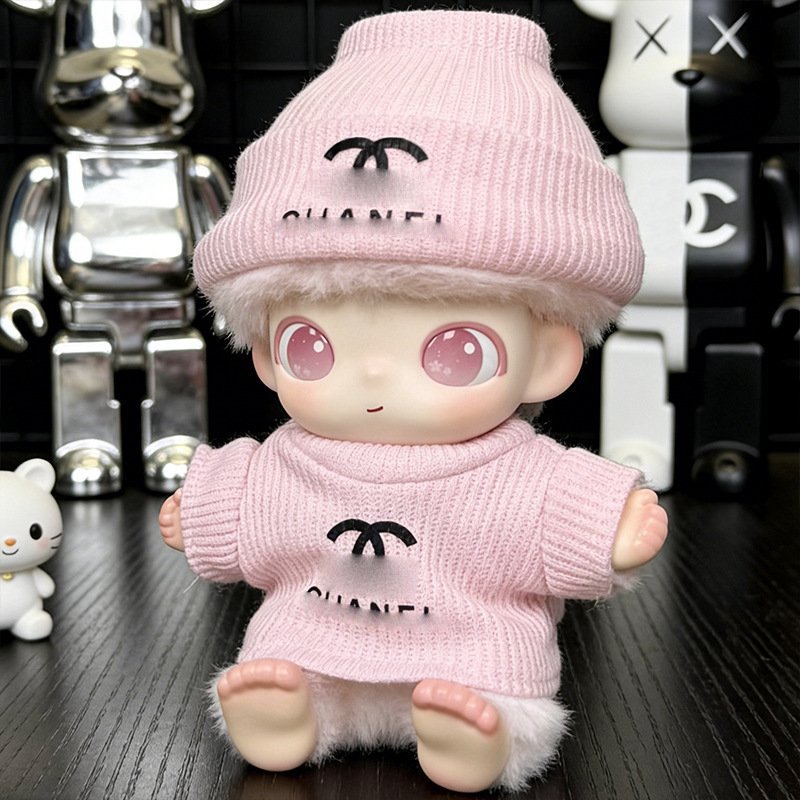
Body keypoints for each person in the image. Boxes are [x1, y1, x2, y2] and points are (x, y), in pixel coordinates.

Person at [159, 10, 668, 793]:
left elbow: (559, 508)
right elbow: (246, 501)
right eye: (312, 346)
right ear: (264, 354)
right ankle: (290, 713)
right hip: (311, 636)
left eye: (454, 350)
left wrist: (611, 528)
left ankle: (479, 736)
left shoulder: (512, 471)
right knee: (279, 664)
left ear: (548, 359)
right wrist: (205, 512)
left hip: (472, 648)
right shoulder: (288, 461)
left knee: (494, 689)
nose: (371, 380)